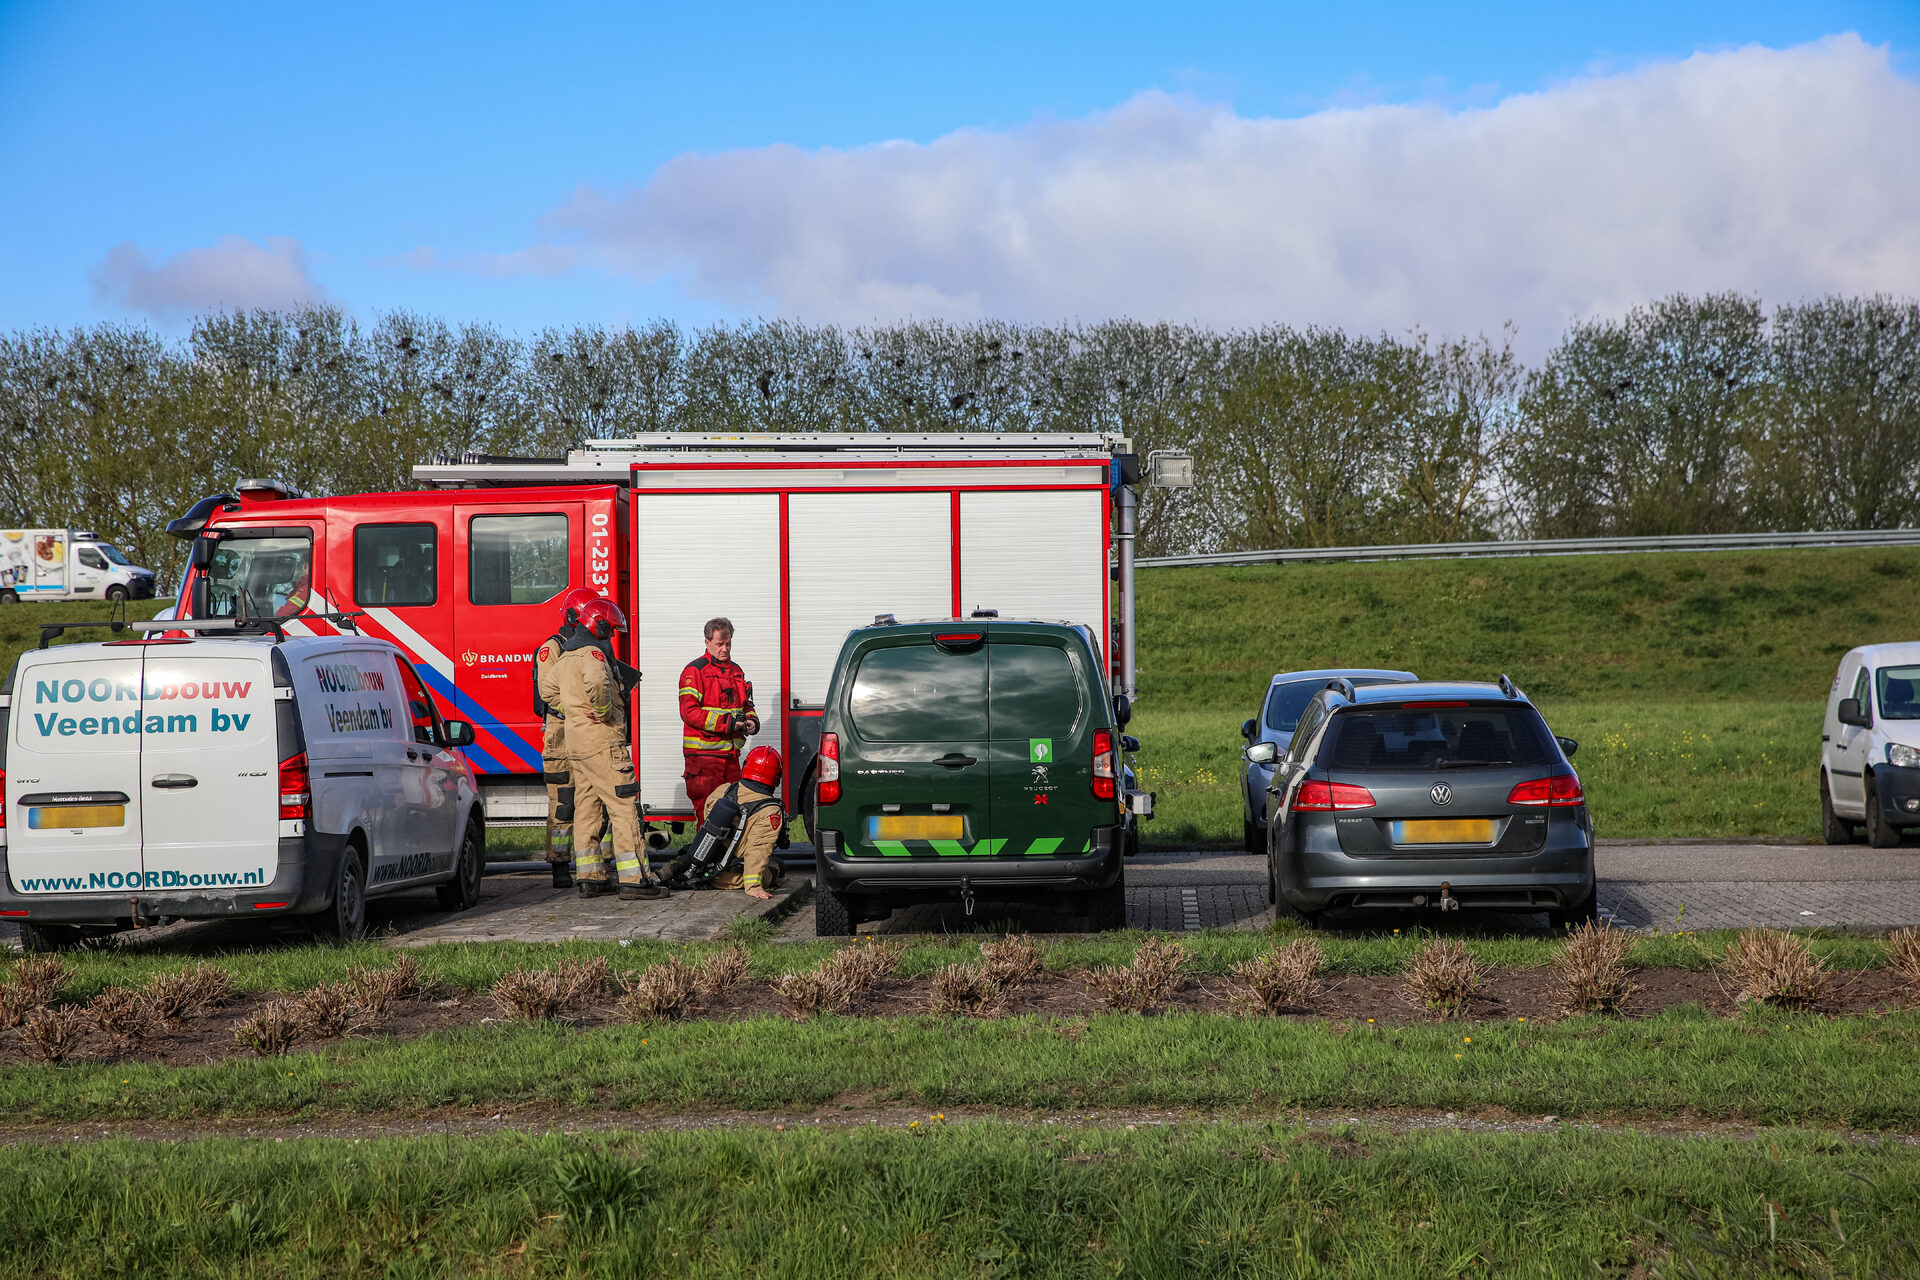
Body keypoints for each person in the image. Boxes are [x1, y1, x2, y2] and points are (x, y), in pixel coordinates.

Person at [551, 597, 666, 900]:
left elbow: (548, 690)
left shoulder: (565, 656)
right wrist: (601, 712)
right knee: (623, 807)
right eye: (610, 630)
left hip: (577, 746)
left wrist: (572, 710)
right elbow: (599, 686)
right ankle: (636, 880)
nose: (612, 636)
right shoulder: (593, 656)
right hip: (603, 742)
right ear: (598, 625)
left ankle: (590, 878)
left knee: (587, 810)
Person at [533, 587, 603, 889]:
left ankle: (598, 865)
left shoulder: (590, 647)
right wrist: (580, 709)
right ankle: (560, 866)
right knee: (563, 803)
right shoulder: (553, 649)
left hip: (588, 734)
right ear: (574, 616)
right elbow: (550, 694)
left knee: (596, 800)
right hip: (561, 737)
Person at [665, 746, 788, 899]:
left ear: (746, 767)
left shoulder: (724, 790)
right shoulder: (770, 810)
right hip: (731, 879)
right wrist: (753, 886)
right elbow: (758, 848)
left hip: (705, 872)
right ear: (777, 776)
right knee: (778, 866)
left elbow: (707, 825)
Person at [678, 617, 759, 823]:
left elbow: (746, 705)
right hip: (704, 759)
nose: (725, 649)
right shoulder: (695, 671)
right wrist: (728, 724)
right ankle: (706, 856)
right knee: (708, 815)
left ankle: (725, 855)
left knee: (733, 813)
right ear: (707, 643)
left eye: (728, 643)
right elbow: (689, 712)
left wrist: (752, 721)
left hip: (730, 757)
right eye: (719, 644)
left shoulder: (736, 670)